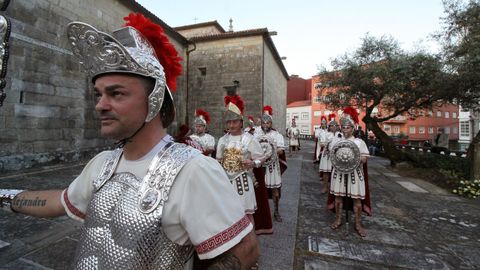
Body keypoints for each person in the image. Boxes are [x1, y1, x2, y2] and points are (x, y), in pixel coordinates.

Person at [0, 14, 259, 269]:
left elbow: (245, 250)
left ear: (154, 100)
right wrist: (4, 197)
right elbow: (60, 200)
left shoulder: (193, 170)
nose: (100, 105)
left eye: (116, 93)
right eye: (98, 94)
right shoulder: (102, 164)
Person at [216, 93, 265, 223]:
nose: (231, 125)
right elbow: (218, 161)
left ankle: (250, 242)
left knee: (246, 218)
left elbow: (262, 158)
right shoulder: (222, 140)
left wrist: (253, 163)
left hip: (243, 182)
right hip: (225, 183)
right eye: (229, 122)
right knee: (226, 219)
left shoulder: (250, 139)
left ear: (241, 122)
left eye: (235, 122)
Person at [327, 107, 372, 238]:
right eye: (344, 127)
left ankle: (358, 224)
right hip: (339, 174)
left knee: (356, 199)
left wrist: (355, 160)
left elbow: (364, 158)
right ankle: (338, 219)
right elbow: (332, 155)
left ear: (353, 128)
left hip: (355, 175)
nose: (345, 129)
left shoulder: (359, 142)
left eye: (348, 127)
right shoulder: (336, 141)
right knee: (338, 197)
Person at [254, 105, 287, 222]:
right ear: (261, 123)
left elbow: (281, 150)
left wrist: (271, 152)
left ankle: (276, 211)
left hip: (272, 166)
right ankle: (259, 212)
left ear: (271, 123)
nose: (266, 125)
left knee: (275, 190)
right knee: (258, 190)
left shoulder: (277, 135)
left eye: (268, 123)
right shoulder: (256, 134)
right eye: (264, 123)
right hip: (259, 166)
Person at [318, 114, 337, 194]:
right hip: (327, 156)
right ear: (329, 126)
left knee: (335, 172)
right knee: (326, 172)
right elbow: (321, 144)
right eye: (331, 125)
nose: (333, 127)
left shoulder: (340, 135)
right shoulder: (324, 134)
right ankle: (325, 187)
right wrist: (328, 144)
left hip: (336, 157)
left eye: (335, 125)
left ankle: (334, 188)